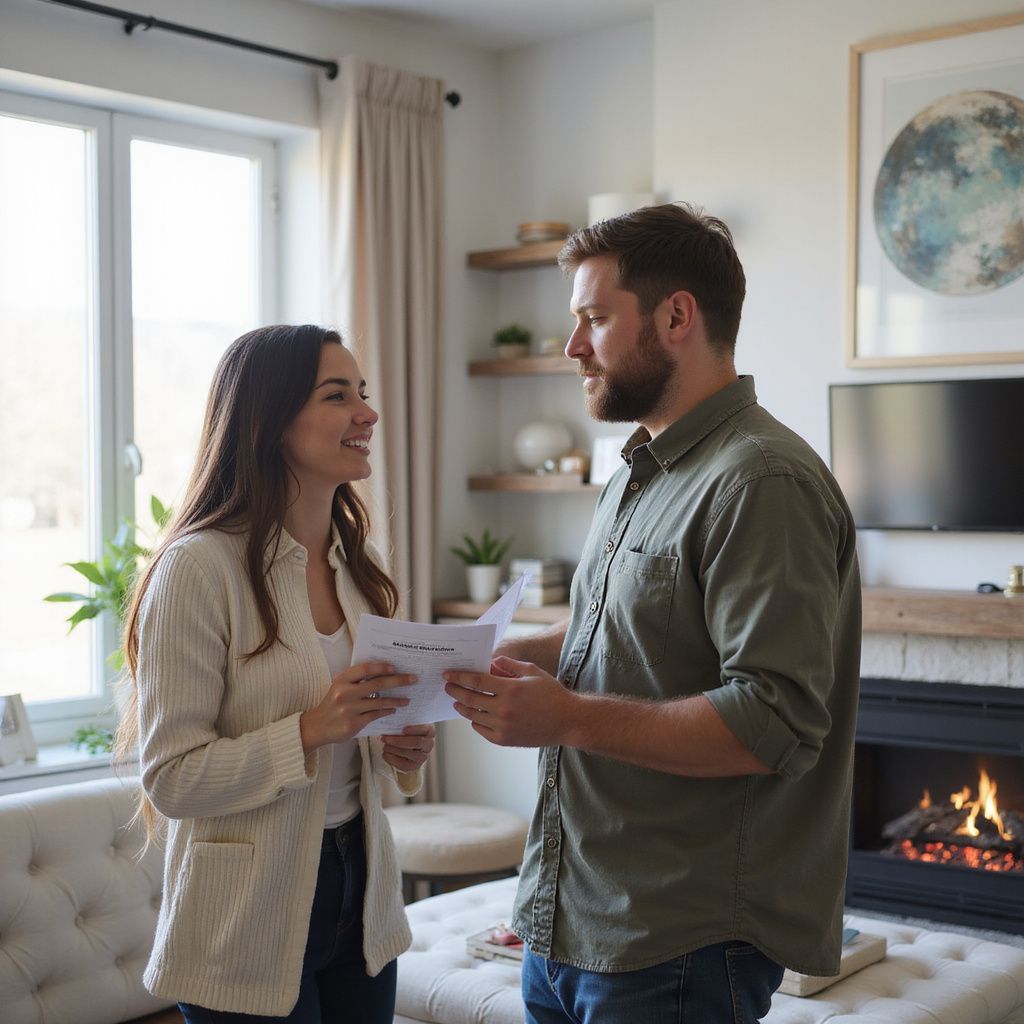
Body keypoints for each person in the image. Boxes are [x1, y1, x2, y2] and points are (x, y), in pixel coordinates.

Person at [443, 204, 861, 1023]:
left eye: (594, 319)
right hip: (570, 918)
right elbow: (631, 634)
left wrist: (564, 717)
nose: (571, 347)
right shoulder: (640, 469)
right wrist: (518, 653)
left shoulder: (761, 483)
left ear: (676, 317)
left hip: (676, 943)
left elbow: (773, 720)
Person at [115, 324, 435, 1022]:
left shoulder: (358, 568)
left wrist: (399, 753)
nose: (369, 413)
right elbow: (171, 778)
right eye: (336, 395)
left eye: (364, 393)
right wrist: (315, 728)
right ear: (269, 421)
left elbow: (361, 745)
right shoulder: (198, 570)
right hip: (241, 919)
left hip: (364, 898)